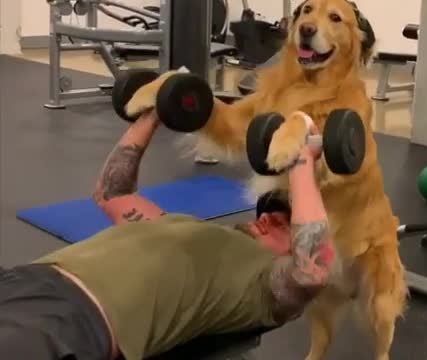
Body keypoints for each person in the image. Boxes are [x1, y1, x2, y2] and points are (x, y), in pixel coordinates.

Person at [0, 109, 335, 360]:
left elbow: (313, 271)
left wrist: (301, 158)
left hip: (69, 318)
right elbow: (112, 193)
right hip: (23, 278)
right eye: (271, 213)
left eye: (284, 224)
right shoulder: (183, 227)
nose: (270, 217)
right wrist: (154, 114)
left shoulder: (264, 287)